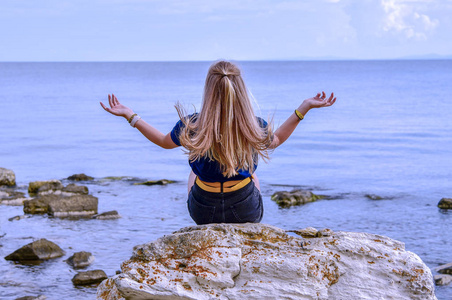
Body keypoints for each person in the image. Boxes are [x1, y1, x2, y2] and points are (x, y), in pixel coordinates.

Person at [100, 60, 336, 225]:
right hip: (245, 211)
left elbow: (163, 141)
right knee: (253, 176)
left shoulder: (192, 125)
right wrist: (303, 109)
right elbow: (278, 139)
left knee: (193, 172)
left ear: (209, 90)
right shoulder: (253, 125)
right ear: (241, 90)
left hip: (204, 211)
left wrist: (131, 116)